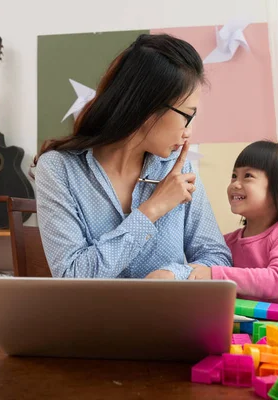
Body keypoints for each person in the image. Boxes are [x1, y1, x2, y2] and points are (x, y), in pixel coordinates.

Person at [32, 33, 232, 280]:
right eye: (186, 116)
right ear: (148, 106)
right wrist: (153, 209)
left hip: (168, 317)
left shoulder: (179, 170)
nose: (188, 131)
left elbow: (216, 258)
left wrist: (173, 274)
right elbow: (71, 276)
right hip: (93, 319)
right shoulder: (59, 169)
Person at [189, 140, 278, 306]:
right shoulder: (226, 243)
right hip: (251, 328)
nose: (235, 184)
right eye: (234, 176)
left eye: (248, 176)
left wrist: (214, 274)